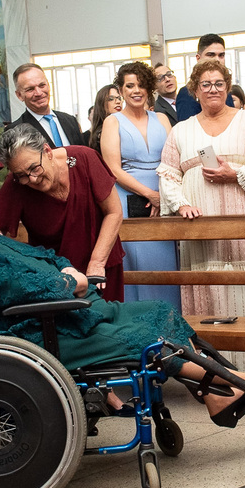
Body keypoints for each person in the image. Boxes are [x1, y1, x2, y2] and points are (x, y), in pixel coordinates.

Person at [0, 177, 245, 427]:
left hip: (75, 310)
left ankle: (214, 395)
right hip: (39, 332)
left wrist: (68, 276)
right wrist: (69, 281)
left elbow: (47, 256)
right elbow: (23, 291)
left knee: (160, 311)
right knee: (149, 339)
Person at [158, 59, 245, 372]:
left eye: (219, 84)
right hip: (198, 224)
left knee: (244, 282)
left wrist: (235, 173)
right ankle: (212, 367)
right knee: (208, 283)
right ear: (195, 90)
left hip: (242, 220)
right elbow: (168, 174)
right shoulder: (180, 130)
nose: (213, 89)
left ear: (227, 87)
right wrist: (181, 202)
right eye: (206, 84)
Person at [0, 125, 126, 302]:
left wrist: (97, 263)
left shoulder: (84, 158)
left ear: (47, 151)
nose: (32, 179)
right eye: (22, 175)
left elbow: (114, 212)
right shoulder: (16, 183)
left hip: (101, 267)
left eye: (35, 168)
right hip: (58, 279)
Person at [99, 61, 181, 309]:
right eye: (129, 85)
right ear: (122, 90)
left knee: (167, 262)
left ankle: (171, 324)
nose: (136, 90)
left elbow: (173, 160)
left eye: (141, 85)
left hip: (164, 195)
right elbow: (113, 168)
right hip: (128, 198)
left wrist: (162, 196)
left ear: (149, 88)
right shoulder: (113, 121)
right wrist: (149, 194)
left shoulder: (163, 119)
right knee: (136, 263)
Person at [12, 63, 84, 147]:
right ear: (19, 95)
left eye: (42, 85)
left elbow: (83, 156)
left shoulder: (70, 121)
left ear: (48, 86)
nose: (38, 93)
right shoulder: (15, 131)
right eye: (30, 89)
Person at [175, 34, 237, 121]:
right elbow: (187, 131)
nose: (217, 60)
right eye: (211, 55)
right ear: (198, 58)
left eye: (221, 55)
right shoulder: (187, 93)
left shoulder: (225, 89)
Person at [87, 85, 123, 153]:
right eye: (111, 99)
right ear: (102, 103)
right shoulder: (102, 132)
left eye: (119, 98)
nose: (118, 102)